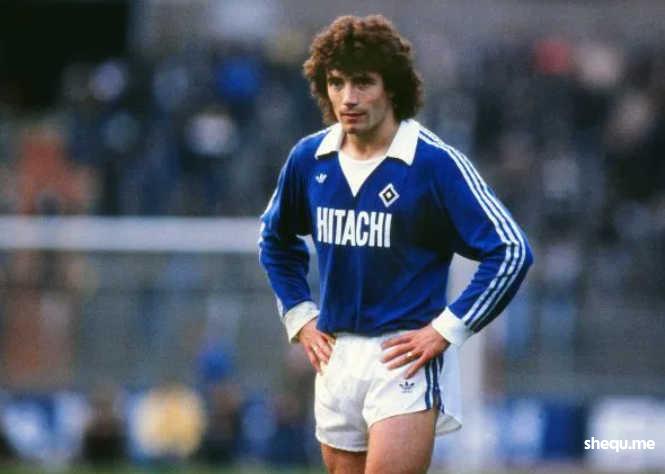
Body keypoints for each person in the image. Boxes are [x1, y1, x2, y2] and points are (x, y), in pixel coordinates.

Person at [259, 15, 533, 474]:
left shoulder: (433, 163)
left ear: (392, 87)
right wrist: (300, 317)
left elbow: (511, 249)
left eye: (363, 82)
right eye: (336, 82)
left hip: (402, 359)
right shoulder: (309, 159)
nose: (348, 97)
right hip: (335, 358)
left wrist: (446, 329)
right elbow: (275, 239)